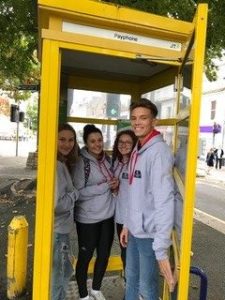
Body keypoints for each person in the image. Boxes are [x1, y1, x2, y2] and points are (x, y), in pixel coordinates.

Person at [120, 98, 175, 300]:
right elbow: (134, 194)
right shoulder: (138, 148)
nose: (137, 122)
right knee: (131, 278)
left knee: (147, 286)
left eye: (143, 118)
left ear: (154, 122)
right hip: (135, 230)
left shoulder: (158, 152)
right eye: (134, 118)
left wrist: (161, 245)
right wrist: (127, 224)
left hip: (149, 234)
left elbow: (165, 201)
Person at [73, 124, 119, 300]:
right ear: (86, 143)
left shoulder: (106, 160)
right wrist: (105, 186)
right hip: (87, 219)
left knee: (104, 254)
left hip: (107, 216)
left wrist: (114, 187)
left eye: (99, 140)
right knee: (85, 256)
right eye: (92, 141)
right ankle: (84, 295)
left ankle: (96, 289)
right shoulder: (81, 163)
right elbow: (78, 193)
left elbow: (111, 184)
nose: (97, 144)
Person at [52, 123, 79, 300]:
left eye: (70, 140)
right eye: (62, 139)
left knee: (62, 272)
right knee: (59, 278)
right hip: (58, 230)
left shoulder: (60, 162)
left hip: (58, 230)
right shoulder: (57, 166)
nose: (66, 144)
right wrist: (75, 193)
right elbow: (58, 204)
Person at [111, 129, 137, 272]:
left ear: (134, 144)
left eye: (128, 142)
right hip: (120, 217)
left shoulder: (136, 164)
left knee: (130, 255)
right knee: (124, 252)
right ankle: (129, 284)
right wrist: (115, 189)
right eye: (121, 142)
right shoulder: (116, 163)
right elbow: (119, 193)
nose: (124, 145)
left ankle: (132, 289)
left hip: (132, 218)